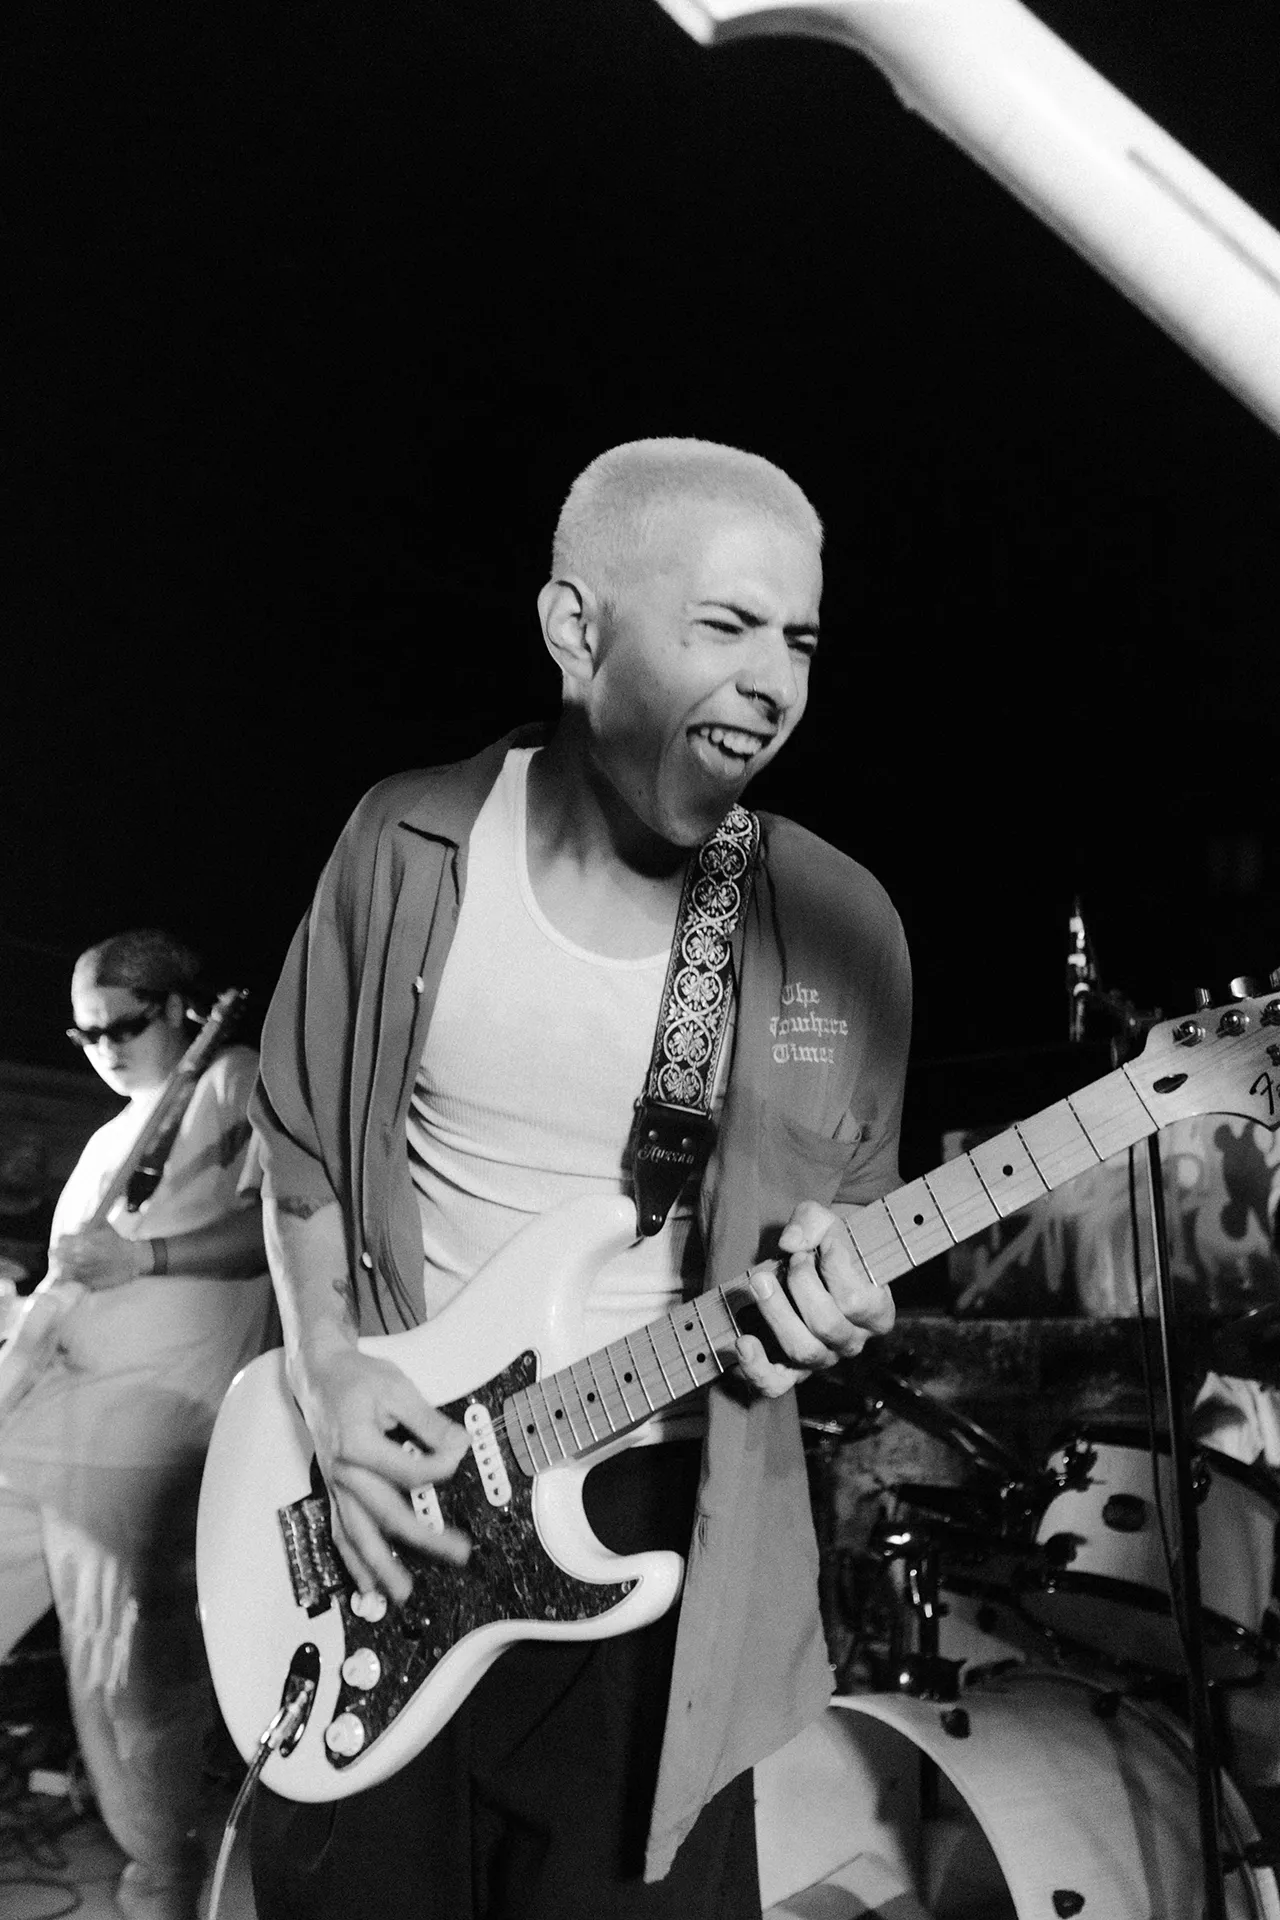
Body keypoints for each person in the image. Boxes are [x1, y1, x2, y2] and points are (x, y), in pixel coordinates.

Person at [247, 438, 912, 1919]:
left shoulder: (837, 931)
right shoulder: (404, 843)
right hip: (384, 1517)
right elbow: (295, 1143)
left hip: (659, 1540)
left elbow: (852, 1209)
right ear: (576, 628)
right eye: (726, 626)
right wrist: (331, 1373)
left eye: (798, 640)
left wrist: (840, 1287)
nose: (773, 681)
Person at [0, 929, 273, 1920]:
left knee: (123, 1679)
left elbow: (280, 1224)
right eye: (83, 1033)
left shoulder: (233, 1079)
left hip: (152, 1422)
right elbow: (72, 1279)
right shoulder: (103, 1137)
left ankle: (166, 1887)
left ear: (181, 1011)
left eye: (122, 1023)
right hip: (51, 1406)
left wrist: (146, 1265)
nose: (102, 1046)